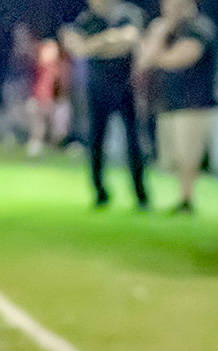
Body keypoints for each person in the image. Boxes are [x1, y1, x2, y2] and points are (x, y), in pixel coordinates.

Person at [60, 0, 150, 209]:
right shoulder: (86, 19)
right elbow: (78, 49)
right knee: (95, 141)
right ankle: (100, 192)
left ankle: (140, 194)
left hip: (126, 87)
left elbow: (129, 40)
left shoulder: (128, 13)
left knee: (134, 142)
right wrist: (108, 40)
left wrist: (94, 45)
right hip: (97, 90)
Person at [134, 0, 218, 213]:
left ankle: (187, 199)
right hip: (166, 101)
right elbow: (143, 60)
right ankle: (182, 197)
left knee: (188, 153)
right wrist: (159, 33)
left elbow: (182, 57)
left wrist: (156, 56)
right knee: (171, 157)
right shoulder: (164, 28)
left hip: (193, 102)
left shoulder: (199, 27)